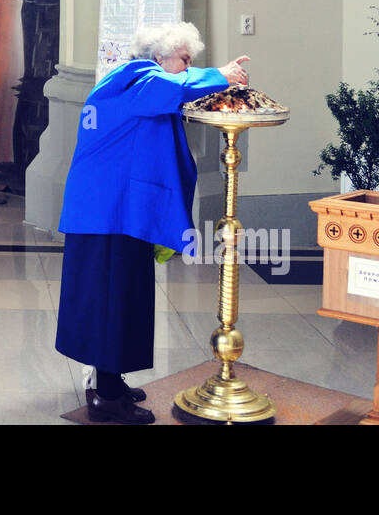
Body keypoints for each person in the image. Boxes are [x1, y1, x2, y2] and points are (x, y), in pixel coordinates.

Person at [54, 21, 250, 424]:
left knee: (119, 296)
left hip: (113, 209)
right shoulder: (139, 78)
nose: (187, 67)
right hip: (108, 213)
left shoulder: (133, 80)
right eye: (184, 59)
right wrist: (220, 76)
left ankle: (111, 381)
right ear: (159, 58)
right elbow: (169, 89)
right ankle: (107, 398)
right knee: (112, 299)